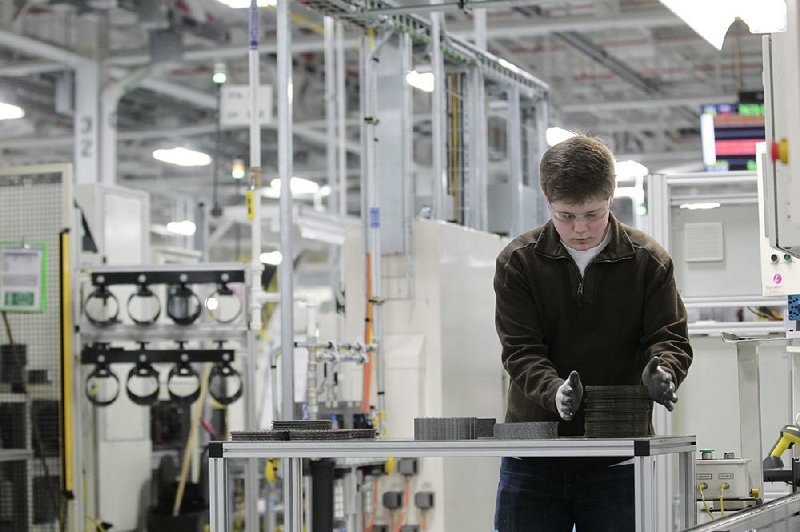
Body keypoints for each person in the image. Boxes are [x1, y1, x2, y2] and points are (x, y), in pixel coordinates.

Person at [492, 135, 693, 532]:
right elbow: (520, 351)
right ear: (546, 199)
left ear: (611, 197)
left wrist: (664, 372)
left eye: (592, 214)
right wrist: (554, 391)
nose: (580, 229)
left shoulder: (648, 261)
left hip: (616, 458)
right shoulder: (519, 262)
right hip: (533, 455)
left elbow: (669, 337)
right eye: (565, 216)